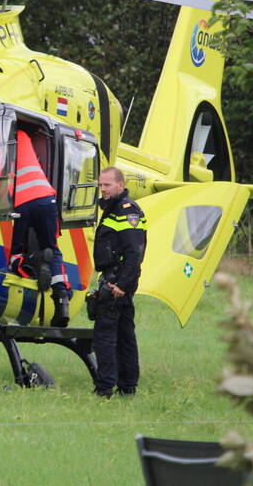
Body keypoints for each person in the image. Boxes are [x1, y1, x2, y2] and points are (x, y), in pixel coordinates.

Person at [91, 166, 147, 398]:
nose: (102, 189)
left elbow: (135, 253)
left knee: (104, 336)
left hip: (118, 281)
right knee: (125, 334)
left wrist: (122, 285)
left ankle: (104, 389)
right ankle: (127, 387)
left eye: (107, 185)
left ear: (120, 186)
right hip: (117, 279)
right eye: (101, 185)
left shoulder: (127, 211)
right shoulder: (113, 209)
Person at [9, 130, 71, 327]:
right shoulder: (24, 135)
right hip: (45, 197)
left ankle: (31, 265)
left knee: (16, 251)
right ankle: (62, 298)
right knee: (52, 248)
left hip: (21, 202)